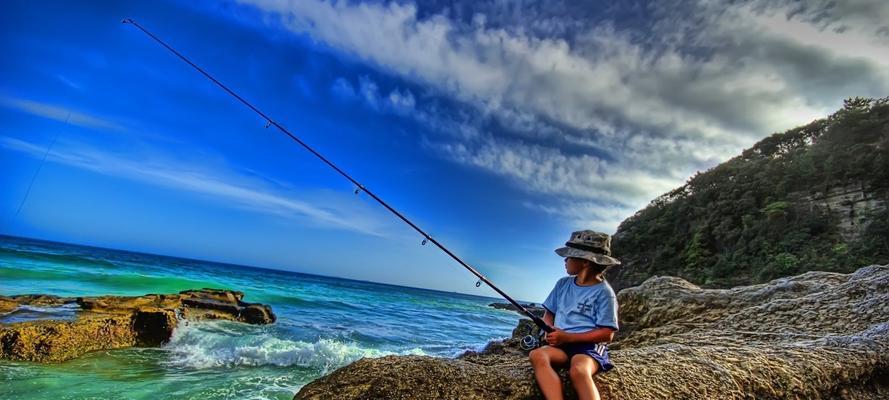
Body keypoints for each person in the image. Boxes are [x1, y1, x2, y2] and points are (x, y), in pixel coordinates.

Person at [529, 230, 621, 400]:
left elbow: (607, 334)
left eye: (570, 257)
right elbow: (549, 313)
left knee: (578, 371)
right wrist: (549, 329)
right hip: (562, 346)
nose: (565, 260)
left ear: (585, 262)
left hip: (588, 347)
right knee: (537, 355)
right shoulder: (563, 284)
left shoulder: (604, 293)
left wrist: (568, 337)